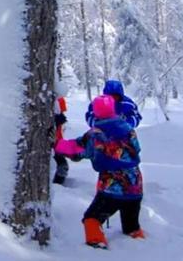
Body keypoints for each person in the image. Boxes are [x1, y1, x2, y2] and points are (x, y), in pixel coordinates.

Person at [59, 94, 144, 249]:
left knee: (91, 218)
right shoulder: (128, 128)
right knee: (131, 227)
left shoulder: (95, 134)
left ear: (96, 112)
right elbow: (137, 148)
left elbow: (77, 150)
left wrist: (57, 144)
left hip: (112, 188)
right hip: (135, 186)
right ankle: (144, 248)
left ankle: (96, 249)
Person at [52, 95, 69, 185]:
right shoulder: (57, 120)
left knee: (62, 166)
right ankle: (57, 187)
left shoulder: (59, 120)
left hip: (56, 146)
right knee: (63, 166)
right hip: (54, 146)